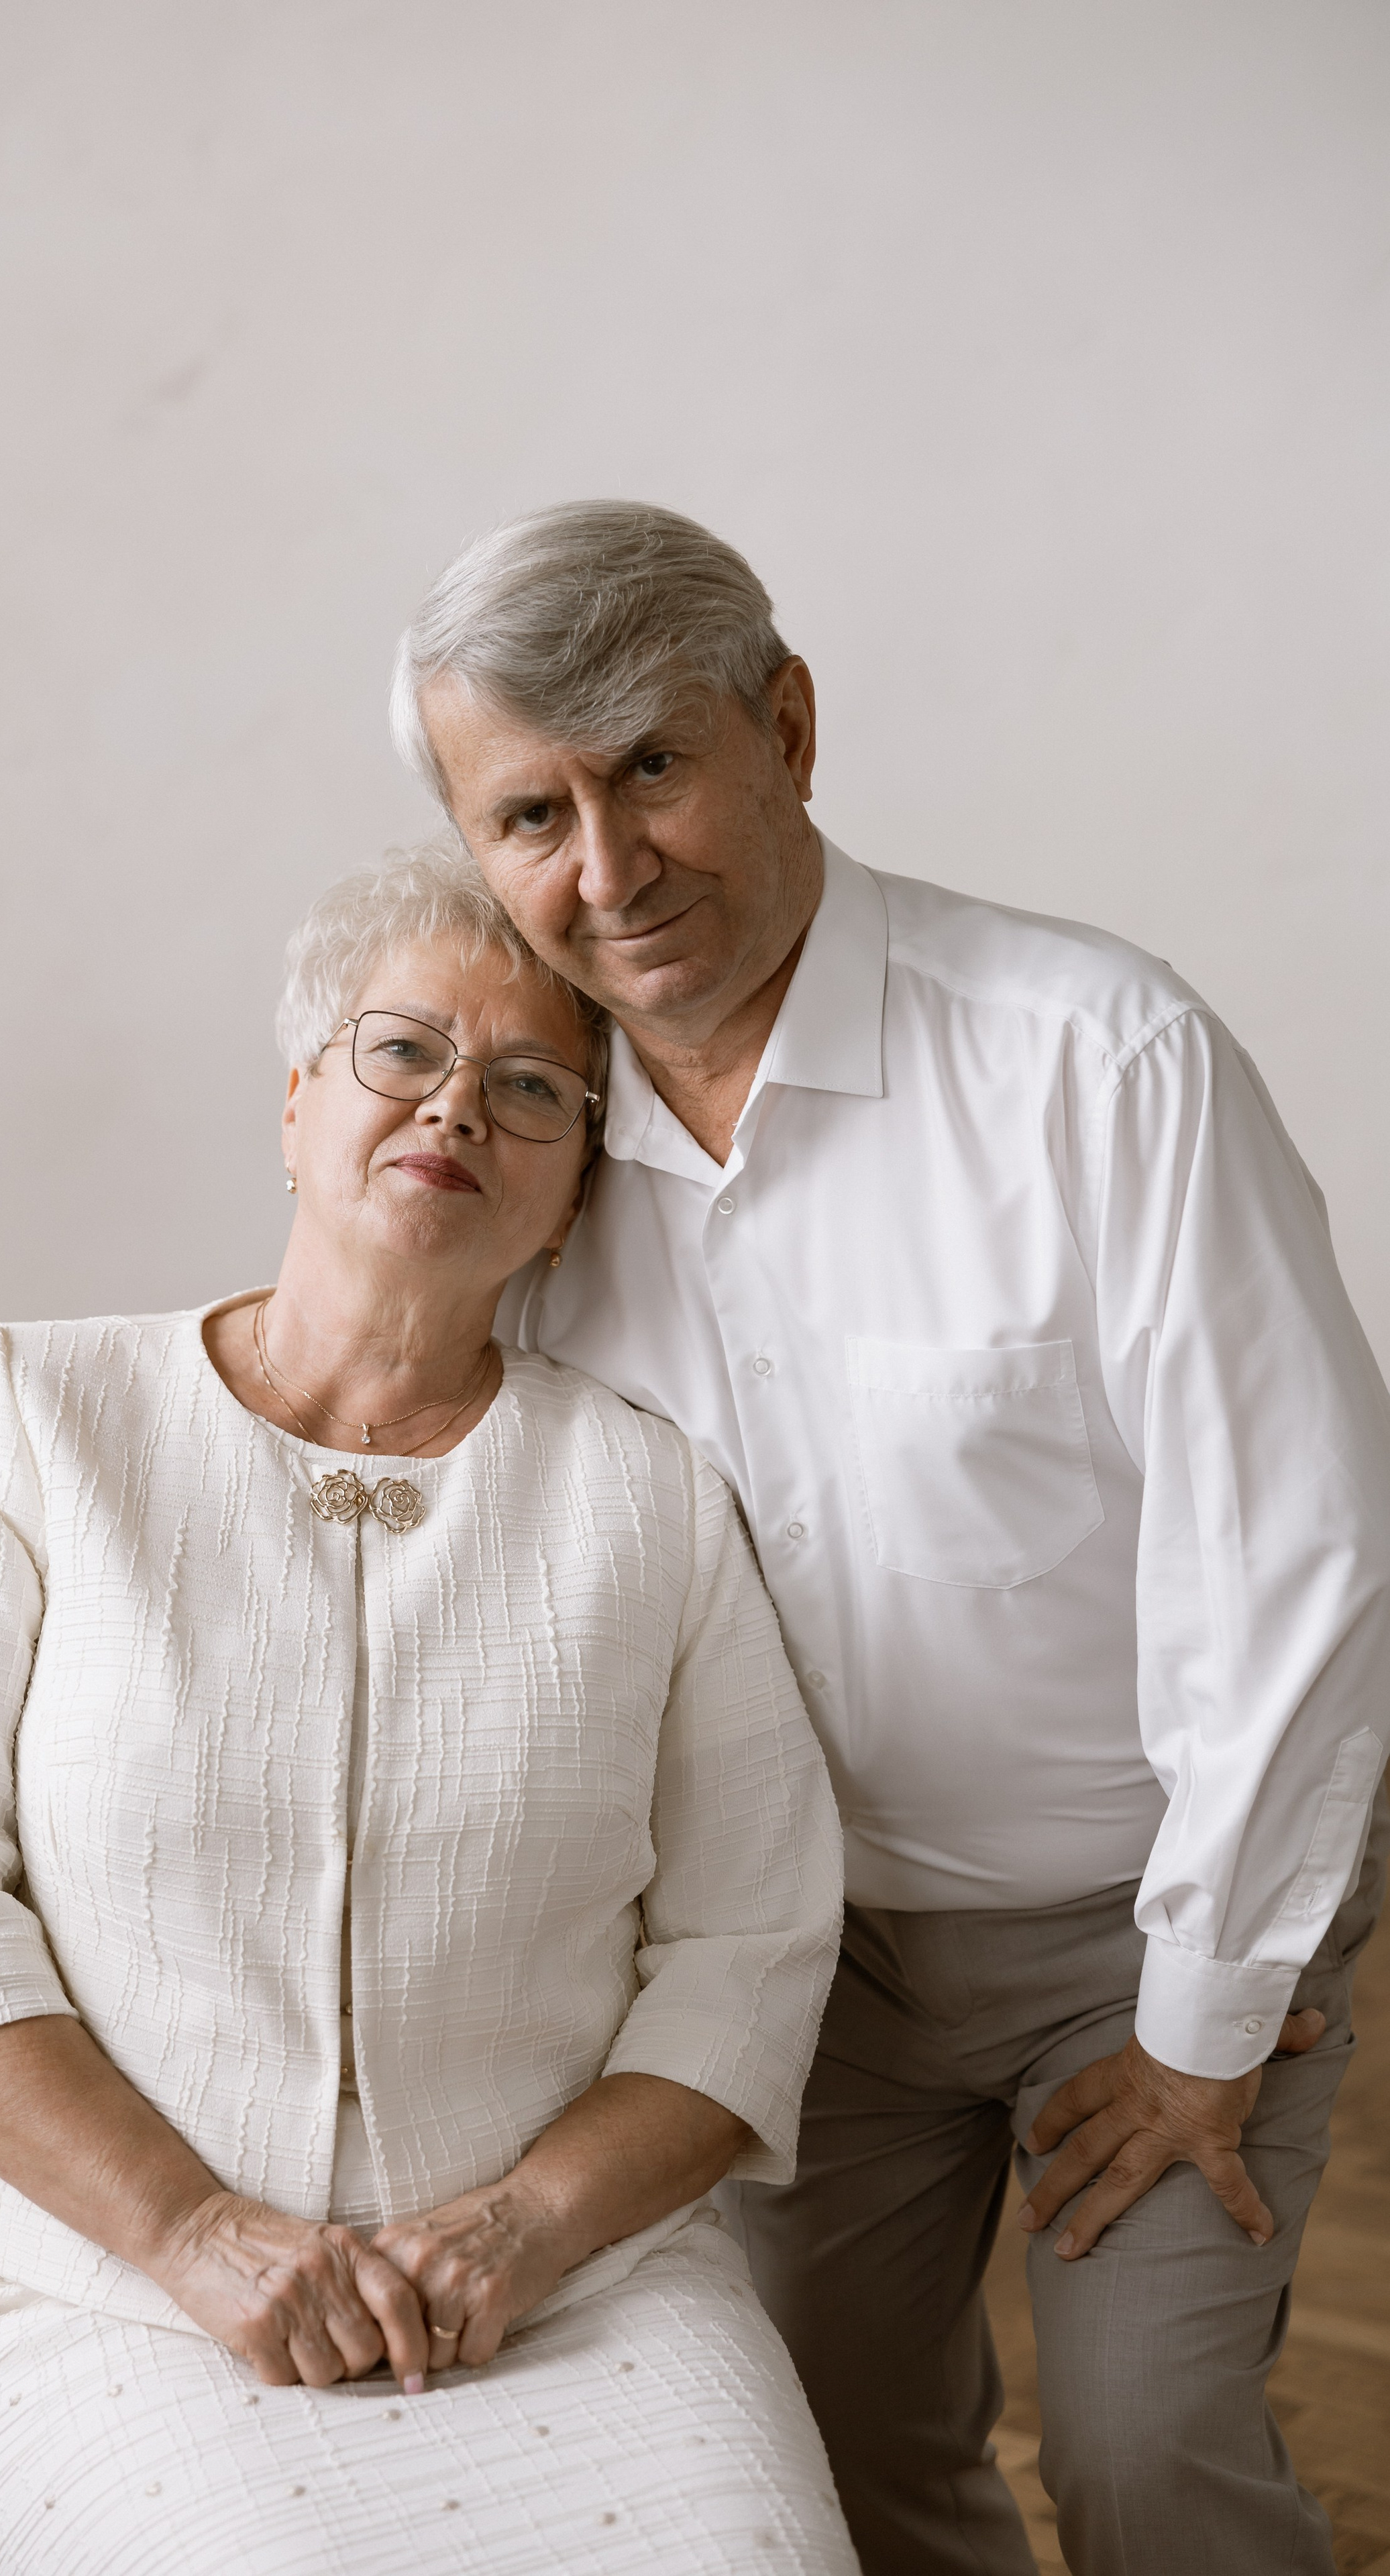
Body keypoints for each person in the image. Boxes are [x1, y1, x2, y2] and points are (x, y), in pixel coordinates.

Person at [392, 500, 1390, 2576]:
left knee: (1147, 2470)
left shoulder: (1098, 1058)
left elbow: (1300, 1553)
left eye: (653, 767)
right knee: (826, 2471)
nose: (607, 872)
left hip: (1143, 1916)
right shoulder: (530, 1155)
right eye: (530, 817)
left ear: (789, 725)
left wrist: (1205, 2019)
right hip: (790, 1962)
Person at [0, 845, 862, 2576]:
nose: (458, 1108)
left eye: (534, 1087)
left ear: (577, 1188)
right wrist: (192, 2231)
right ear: (299, 1101)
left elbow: (752, 1943)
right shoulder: (32, 1412)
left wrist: (526, 2228)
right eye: (403, 1052)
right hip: (110, 2292)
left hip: (575, 2291)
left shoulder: (651, 1496)